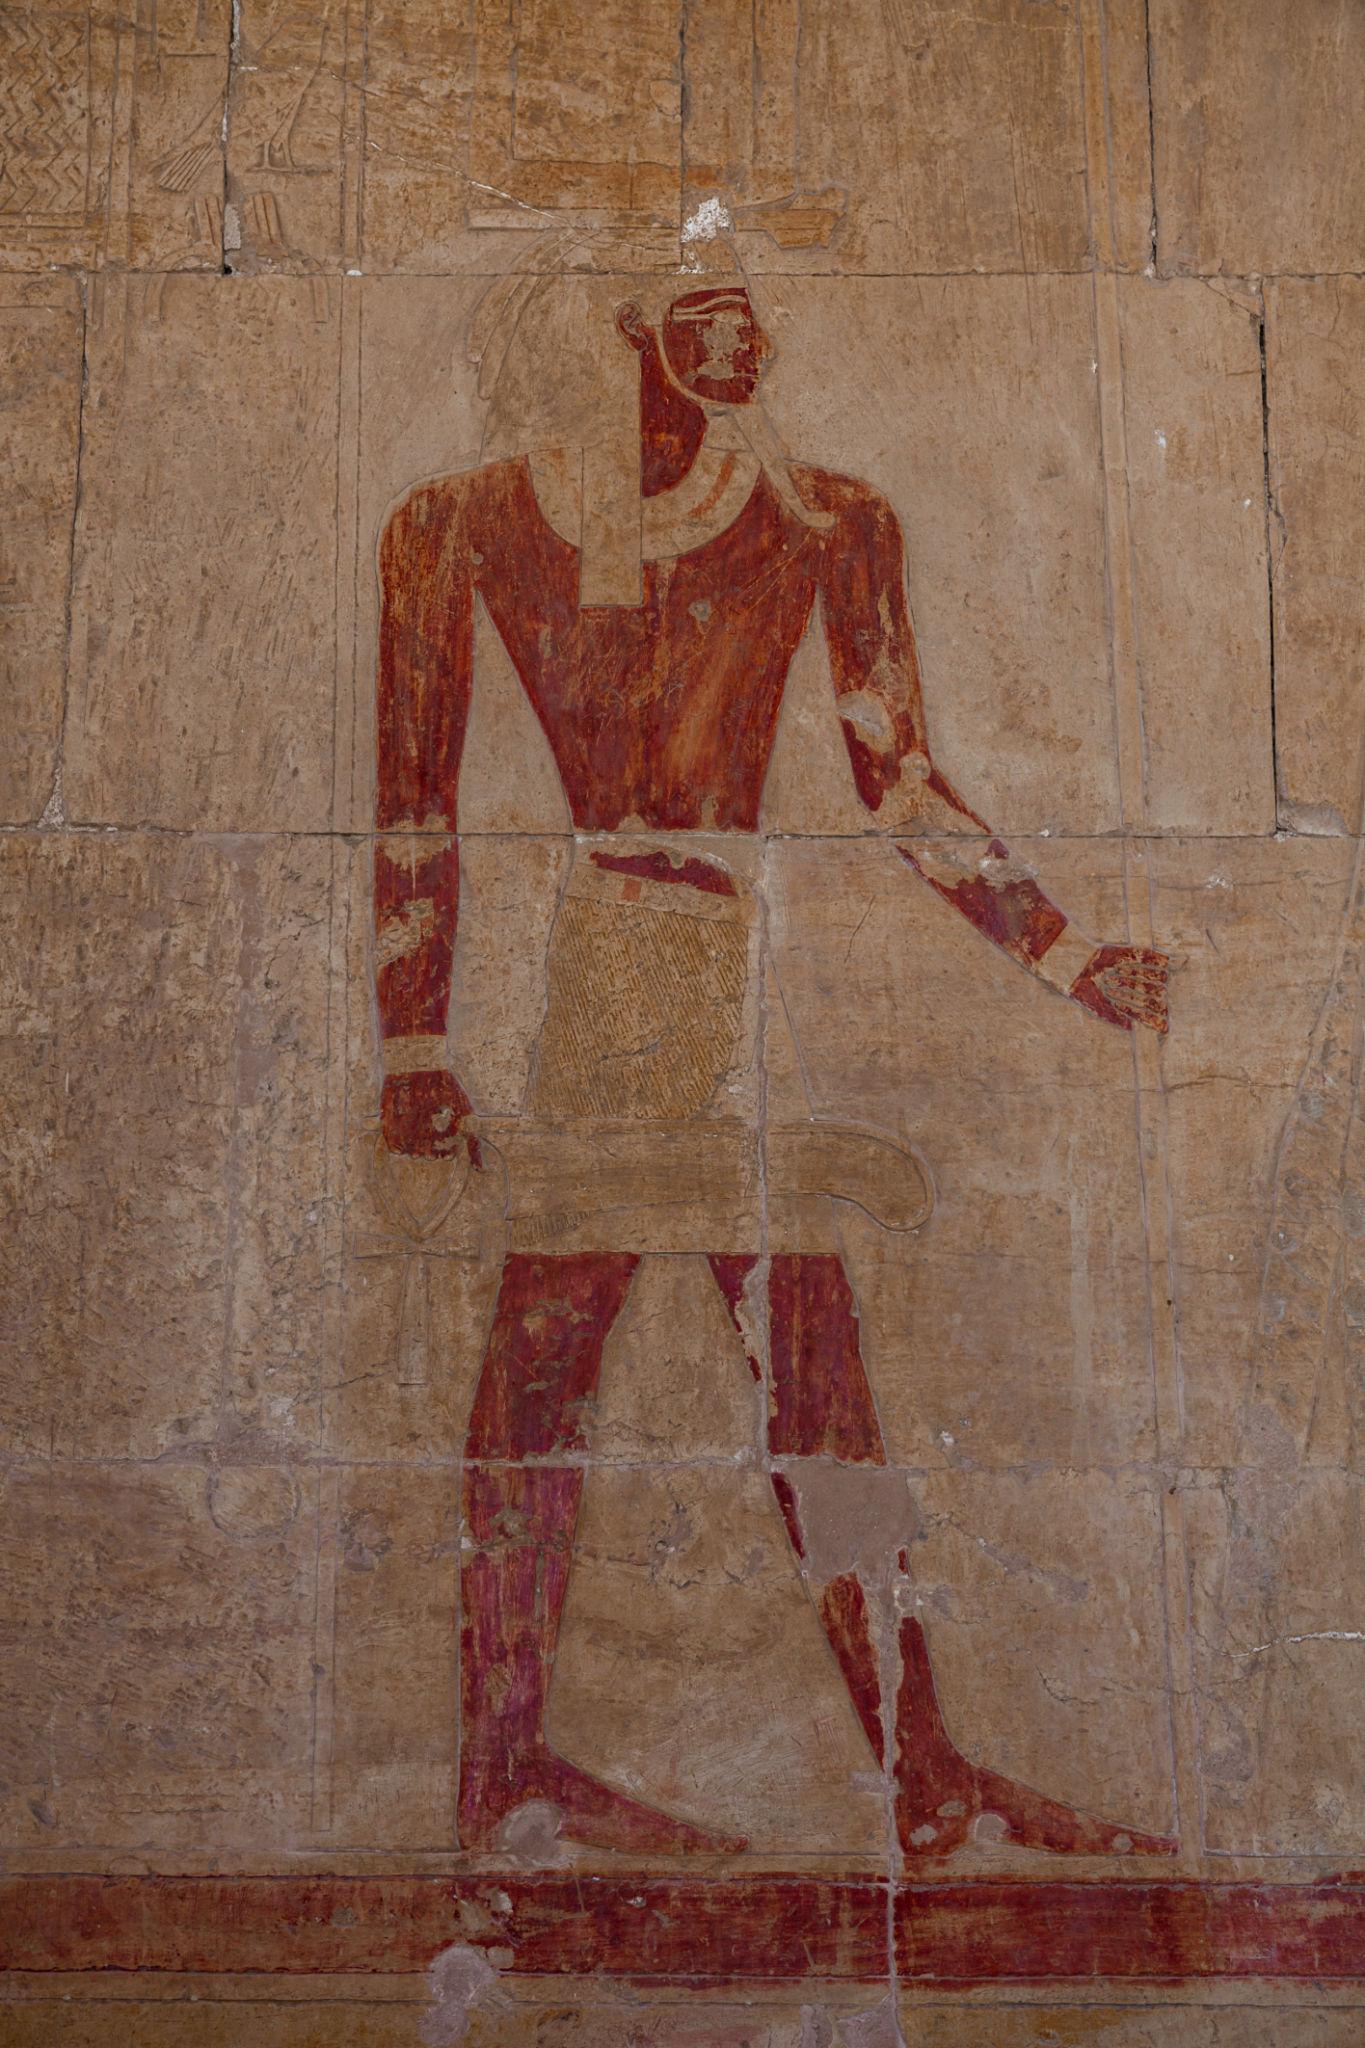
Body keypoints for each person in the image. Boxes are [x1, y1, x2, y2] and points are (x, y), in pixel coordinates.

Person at [374, 264, 1173, 1860]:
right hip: (604, 985)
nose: (745, 336)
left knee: (789, 1366)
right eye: (698, 305)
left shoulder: (823, 517)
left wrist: (1065, 951)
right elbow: (414, 798)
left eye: (749, 306)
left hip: (720, 972)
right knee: (567, 1365)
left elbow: (900, 780)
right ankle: (517, 1772)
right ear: (612, 335)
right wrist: (408, 1034)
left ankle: (900, 1768)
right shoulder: (461, 520)